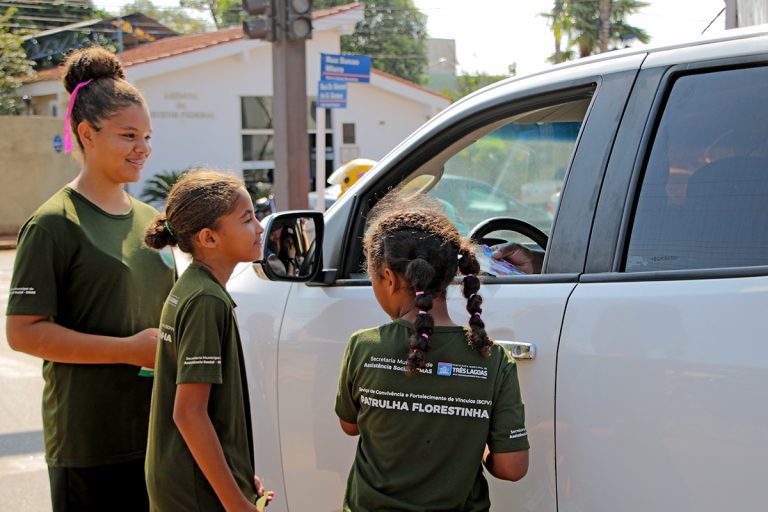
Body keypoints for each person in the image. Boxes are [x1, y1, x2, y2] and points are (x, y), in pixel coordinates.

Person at [5, 46, 175, 511]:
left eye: (146, 135)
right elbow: (23, 332)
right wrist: (126, 351)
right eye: (127, 135)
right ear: (87, 134)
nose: (142, 147)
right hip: (90, 444)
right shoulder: (54, 223)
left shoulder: (150, 221)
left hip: (158, 434)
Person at [334, 195, 529, 511]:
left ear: (389, 278)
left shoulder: (364, 346)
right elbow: (512, 467)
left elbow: (350, 425)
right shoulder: (493, 361)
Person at [144, 170, 273, 511]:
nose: (260, 227)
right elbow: (189, 413)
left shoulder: (194, 288)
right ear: (209, 238)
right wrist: (235, 502)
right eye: (247, 219)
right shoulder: (205, 301)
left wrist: (239, 475)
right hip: (195, 493)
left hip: (188, 482)